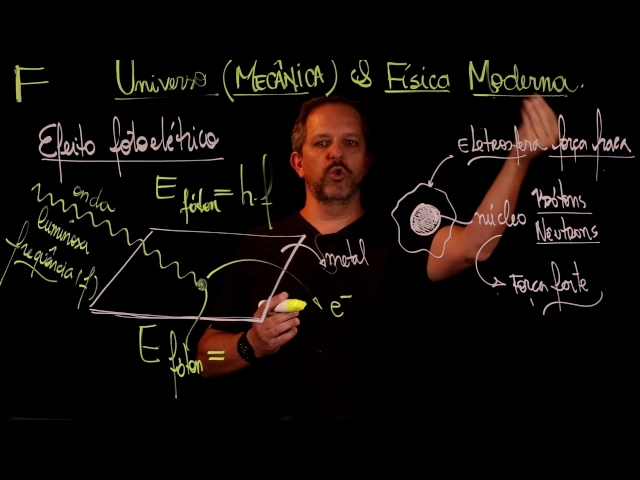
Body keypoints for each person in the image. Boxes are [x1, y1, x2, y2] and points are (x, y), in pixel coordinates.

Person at [196, 94, 559, 419]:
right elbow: (204, 359)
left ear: (367, 160)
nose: (336, 153)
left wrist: (519, 159)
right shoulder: (258, 244)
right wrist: (251, 344)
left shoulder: (398, 236)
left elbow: (475, 246)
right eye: (322, 142)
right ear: (298, 162)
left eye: (350, 142)